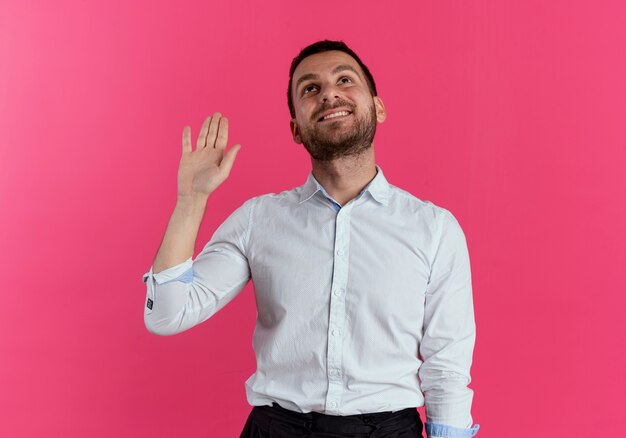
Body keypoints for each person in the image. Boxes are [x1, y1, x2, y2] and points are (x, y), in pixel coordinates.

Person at [142, 40, 480, 438]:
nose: (330, 93)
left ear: (379, 107)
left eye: (344, 79)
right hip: (277, 428)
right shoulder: (258, 220)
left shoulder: (434, 228)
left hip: (388, 429)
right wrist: (191, 200)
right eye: (310, 88)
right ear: (296, 130)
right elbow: (166, 314)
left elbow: (447, 366)